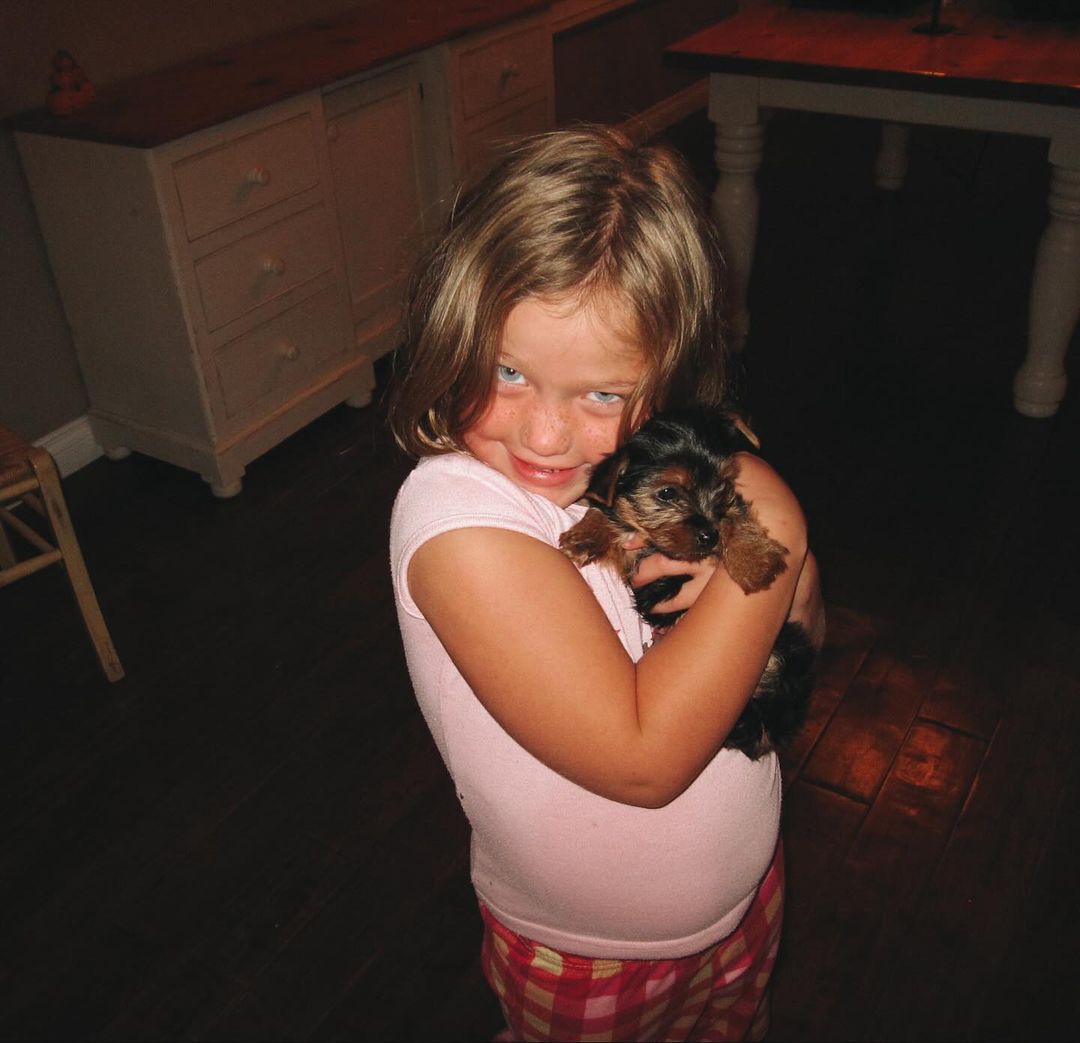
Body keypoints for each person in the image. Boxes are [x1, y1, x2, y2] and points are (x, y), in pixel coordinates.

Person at [388, 126, 823, 1042]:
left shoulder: (639, 475)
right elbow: (642, 759)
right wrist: (777, 532)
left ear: (666, 382)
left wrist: (796, 591)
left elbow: (793, 651)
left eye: (602, 394)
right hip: (589, 953)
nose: (545, 436)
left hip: (743, 901)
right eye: (508, 371)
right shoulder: (455, 518)